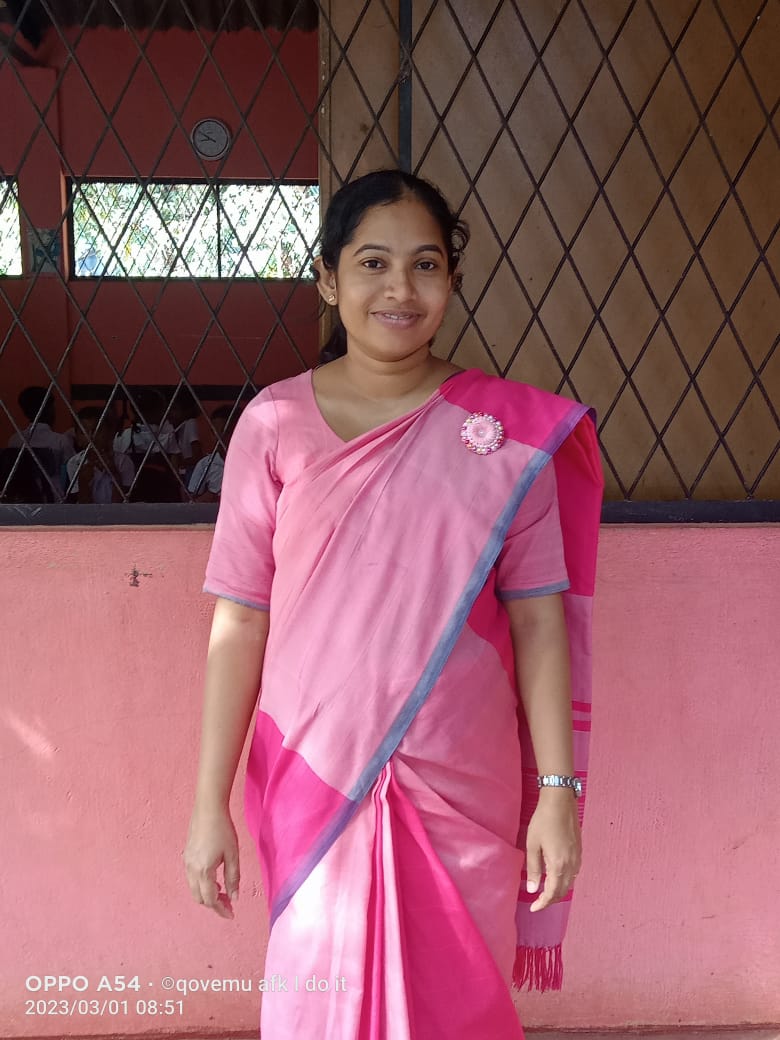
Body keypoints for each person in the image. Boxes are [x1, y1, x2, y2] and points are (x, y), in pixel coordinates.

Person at [183, 170, 603, 1040]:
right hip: (312, 773)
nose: (400, 289)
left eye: (426, 265)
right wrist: (208, 802)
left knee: (459, 1002)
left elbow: (539, 622)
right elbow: (240, 621)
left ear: (451, 280)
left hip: (461, 779)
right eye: (373, 263)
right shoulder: (273, 424)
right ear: (329, 279)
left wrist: (557, 793)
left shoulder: (505, 434)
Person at [114, 387, 181, 502]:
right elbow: (175, 472)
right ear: (158, 411)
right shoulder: (168, 437)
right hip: (163, 494)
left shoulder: (124, 436)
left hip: (134, 493)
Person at [7, 385, 74, 499]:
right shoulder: (60, 440)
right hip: (54, 497)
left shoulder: (15, 440)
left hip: (23, 498)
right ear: (49, 410)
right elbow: (73, 469)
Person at [66, 406, 134, 504]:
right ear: (78, 438)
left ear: (110, 434)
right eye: (83, 432)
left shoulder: (123, 461)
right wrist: (83, 482)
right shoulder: (75, 463)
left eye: (96, 431)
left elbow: (121, 504)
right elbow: (83, 505)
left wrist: (114, 473)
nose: (90, 437)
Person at [187, 405, 238, 502]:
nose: (219, 437)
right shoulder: (205, 464)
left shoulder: (250, 463)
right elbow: (192, 498)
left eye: (225, 432)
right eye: (214, 432)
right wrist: (211, 496)